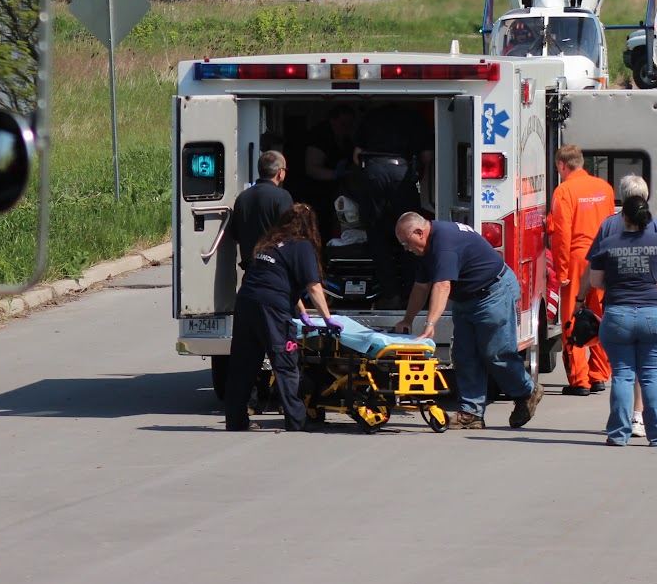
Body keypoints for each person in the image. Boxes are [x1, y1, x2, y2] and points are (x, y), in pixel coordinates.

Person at [394, 213, 542, 430]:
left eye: (407, 242)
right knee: (464, 355)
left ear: (419, 232)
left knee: (497, 354)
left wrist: (430, 324)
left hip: (493, 292)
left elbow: (442, 285)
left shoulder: (444, 243)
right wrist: (407, 319)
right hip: (466, 299)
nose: (407, 248)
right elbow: (421, 287)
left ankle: (527, 391)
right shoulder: (427, 248)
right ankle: (471, 413)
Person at [581, 192, 657, 447]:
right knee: (651, 375)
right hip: (654, 315)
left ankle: (618, 435)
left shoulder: (608, 243)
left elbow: (595, 281)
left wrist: (617, 283)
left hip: (617, 315)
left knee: (622, 375)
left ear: (624, 217)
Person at [224, 204, 333, 432]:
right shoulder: (301, 245)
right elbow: (313, 287)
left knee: (243, 365)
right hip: (271, 308)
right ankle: (296, 421)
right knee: (285, 363)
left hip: (246, 303)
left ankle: (235, 420)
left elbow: (279, 279)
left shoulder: (270, 244)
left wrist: (302, 312)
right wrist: (328, 318)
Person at [548, 145, 616, 396]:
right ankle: (599, 374)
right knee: (600, 316)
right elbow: (612, 224)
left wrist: (561, 271)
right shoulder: (604, 188)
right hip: (603, 257)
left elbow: (562, 235)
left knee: (572, 318)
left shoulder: (564, 191)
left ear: (562, 166)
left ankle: (580, 379)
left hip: (577, 259)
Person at [350, 104, 428, 306]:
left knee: (376, 234)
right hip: (401, 173)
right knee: (410, 231)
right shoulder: (415, 116)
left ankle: (391, 293)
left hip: (373, 172)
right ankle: (411, 293)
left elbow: (357, 156)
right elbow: (426, 156)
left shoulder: (371, 114)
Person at [231, 151, 294, 269]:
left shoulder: (242, 197)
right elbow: (289, 234)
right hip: (273, 271)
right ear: (280, 173)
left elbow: (236, 235)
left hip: (250, 271)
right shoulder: (282, 196)